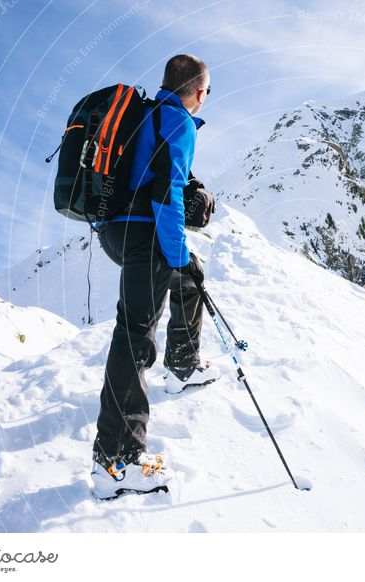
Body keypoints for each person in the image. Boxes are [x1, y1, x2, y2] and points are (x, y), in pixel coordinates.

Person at [90, 54, 219, 499]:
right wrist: (177, 253)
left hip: (115, 232)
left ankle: (183, 364)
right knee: (135, 338)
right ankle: (116, 462)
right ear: (198, 91)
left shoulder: (145, 114)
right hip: (144, 236)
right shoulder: (177, 121)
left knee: (190, 277)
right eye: (206, 93)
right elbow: (165, 196)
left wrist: (184, 263)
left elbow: (153, 178)